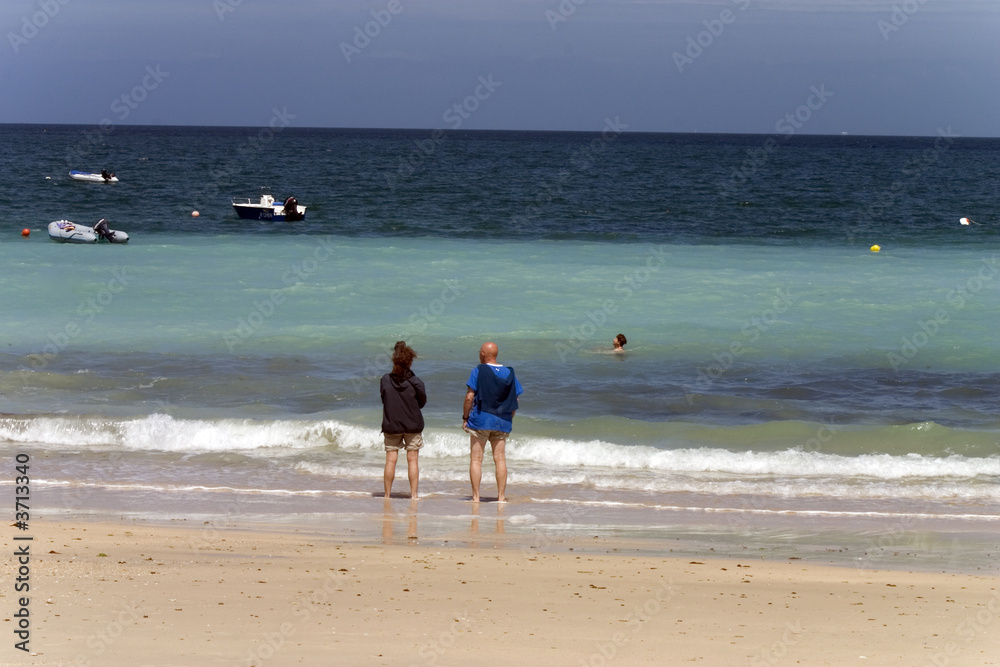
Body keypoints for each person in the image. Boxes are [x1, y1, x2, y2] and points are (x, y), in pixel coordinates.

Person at [462, 342, 523, 502]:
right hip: (502, 421)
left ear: (483, 353)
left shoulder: (478, 370)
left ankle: (476, 497)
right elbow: (515, 400)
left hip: (481, 419)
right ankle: (501, 497)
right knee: (500, 459)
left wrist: (465, 417)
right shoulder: (510, 372)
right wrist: (509, 417)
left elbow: (469, 396)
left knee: (476, 459)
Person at [380, 341, 426, 499]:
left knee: (390, 460)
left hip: (391, 424)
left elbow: (384, 398)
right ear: (410, 362)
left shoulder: (385, 380)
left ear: (394, 360)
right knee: (412, 460)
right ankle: (414, 495)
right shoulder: (417, 383)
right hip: (413, 424)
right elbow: (422, 403)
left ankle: (387, 495)